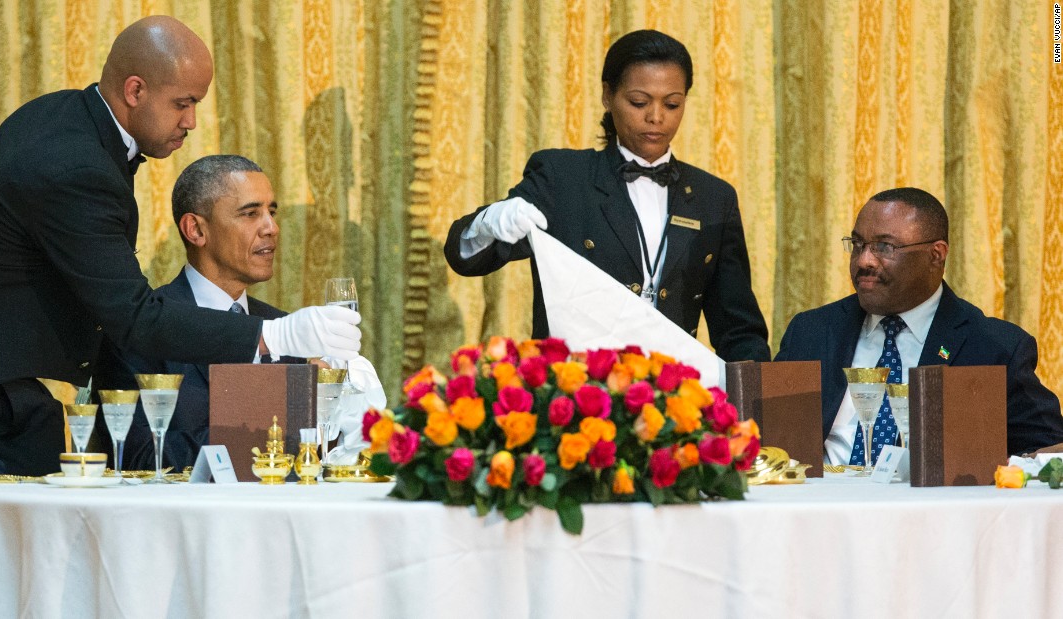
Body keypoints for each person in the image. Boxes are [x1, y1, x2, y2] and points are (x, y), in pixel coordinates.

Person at [0, 16, 361, 476]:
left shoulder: (55, 116)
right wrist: (274, 336)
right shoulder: (76, 165)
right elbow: (133, 318)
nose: (191, 121)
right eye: (182, 104)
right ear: (135, 91)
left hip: (2, 384)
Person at [443, 29, 769, 363]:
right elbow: (466, 259)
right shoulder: (563, 177)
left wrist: (762, 401)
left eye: (672, 103)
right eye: (639, 102)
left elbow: (739, 330)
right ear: (607, 95)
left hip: (676, 400)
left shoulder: (713, 197)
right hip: (576, 396)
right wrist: (486, 225)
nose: (656, 117)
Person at [92, 155, 385, 470]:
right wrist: (282, 408)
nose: (271, 228)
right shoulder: (137, 332)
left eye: (272, 212)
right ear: (195, 230)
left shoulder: (288, 329)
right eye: (250, 213)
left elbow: (316, 459)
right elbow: (137, 461)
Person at [775, 187, 1063, 462]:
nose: (864, 260)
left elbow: (1048, 451)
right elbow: (766, 439)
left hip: (934, 508)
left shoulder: (993, 347)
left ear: (936, 255)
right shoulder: (811, 331)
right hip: (820, 504)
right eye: (858, 244)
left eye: (884, 247)